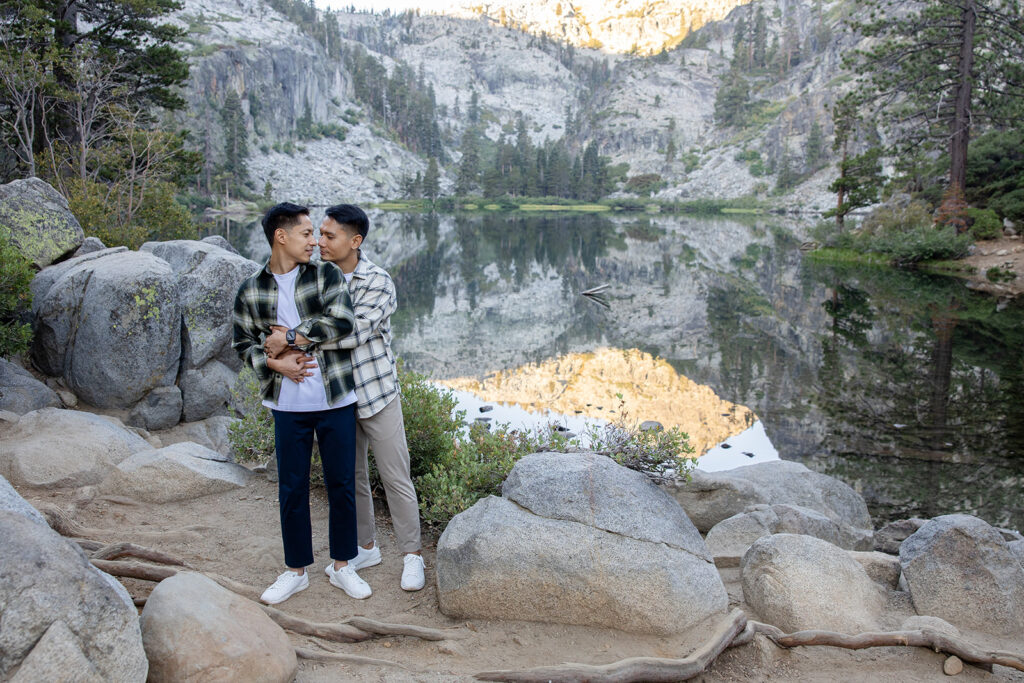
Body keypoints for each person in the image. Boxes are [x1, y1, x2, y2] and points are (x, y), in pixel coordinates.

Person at [232, 202, 371, 605]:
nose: (315, 242)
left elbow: (342, 319)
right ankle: (296, 571)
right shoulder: (252, 289)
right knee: (291, 489)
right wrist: (275, 362)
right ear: (281, 236)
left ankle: (343, 566)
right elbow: (243, 344)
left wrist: (291, 337)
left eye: (316, 234)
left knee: (341, 483)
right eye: (307, 233)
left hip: (335, 398)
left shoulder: (326, 274)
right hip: (287, 405)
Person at [314, 203, 426, 591]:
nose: (320, 242)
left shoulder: (378, 281)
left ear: (355, 241)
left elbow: (353, 333)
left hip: (378, 393)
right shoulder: (317, 278)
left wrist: (302, 336)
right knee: (352, 477)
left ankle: (412, 555)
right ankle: (365, 547)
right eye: (319, 233)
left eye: (329, 236)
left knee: (396, 476)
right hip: (338, 397)